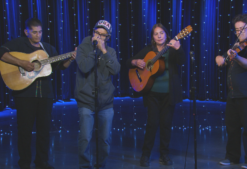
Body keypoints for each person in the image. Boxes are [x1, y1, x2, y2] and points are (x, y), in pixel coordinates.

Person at [0, 18, 76, 169]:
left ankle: (42, 162)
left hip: (45, 95)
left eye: (40, 32)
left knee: (44, 130)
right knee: (25, 130)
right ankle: (24, 163)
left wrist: (70, 59)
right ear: (27, 32)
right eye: (34, 32)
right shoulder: (19, 43)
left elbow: (60, 66)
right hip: (25, 94)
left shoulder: (48, 48)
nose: (38, 35)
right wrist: (22, 63)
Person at [126, 23, 186, 167]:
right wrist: (135, 61)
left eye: (161, 33)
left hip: (169, 94)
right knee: (152, 125)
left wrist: (179, 48)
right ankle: (145, 155)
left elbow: (182, 61)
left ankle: (164, 155)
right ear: (153, 37)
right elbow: (129, 62)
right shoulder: (148, 50)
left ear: (166, 35)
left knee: (166, 125)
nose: (159, 36)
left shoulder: (172, 49)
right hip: (152, 93)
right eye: (156, 33)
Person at [216, 14, 247, 169]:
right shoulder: (237, 45)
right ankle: (232, 157)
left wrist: (236, 57)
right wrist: (220, 58)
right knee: (232, 128)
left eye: (242, 29)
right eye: (236, 30)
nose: (239, 32)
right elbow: (222, 61)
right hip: (233, 93)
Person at [75, 20, 120, 169]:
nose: (99, 37)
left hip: (105, 101)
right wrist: (95, 51)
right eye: (97, 33)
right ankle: (85, 166)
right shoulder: (83, 47)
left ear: (108, 38)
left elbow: (115, 70)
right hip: (86, 100)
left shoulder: (110, 51)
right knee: (85, 138)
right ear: (93, 32)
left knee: (105, 139)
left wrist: (104, 52)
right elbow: (84, 66)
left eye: (103, 35)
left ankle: (101, 165)